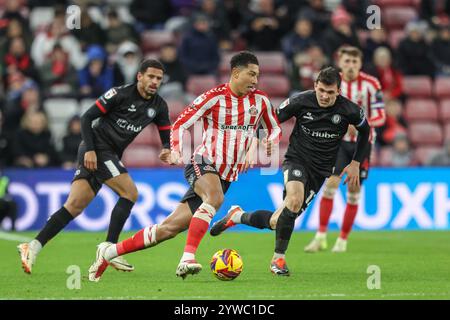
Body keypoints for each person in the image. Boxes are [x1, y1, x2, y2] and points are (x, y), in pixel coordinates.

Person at [87, 51, 281, 282]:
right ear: (236, 73)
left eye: (257, 75)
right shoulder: (214, 97)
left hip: (227, 175)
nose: (255, 80)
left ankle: (109, 252)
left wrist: (268, 142)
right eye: (251, 74)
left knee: (168, 229)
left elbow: (274, 128)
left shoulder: (260, 101)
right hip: (203, 161)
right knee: (215, 198)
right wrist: (177, 149)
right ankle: (187, 258)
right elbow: (180, 123)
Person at [209, 66, 371, 276]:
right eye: (321, 90)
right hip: (297, 160)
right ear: (315, 86)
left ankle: (237, 216)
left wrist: (356, 163)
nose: (324, 96)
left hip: (321, 171)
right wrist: (253, 146)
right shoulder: (301, 101)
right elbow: (269, 122)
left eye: (330, 92)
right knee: (294, 200)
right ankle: (278, 260)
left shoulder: (349, 110)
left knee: (279, 221)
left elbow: (365, 132)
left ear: (338, 91)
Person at [17, 59, 172, 275]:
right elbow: (87, 117)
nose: (155, 82)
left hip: (108, 153)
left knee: (74, 206)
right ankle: (110, 249)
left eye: (158, 78)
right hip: (97, 148)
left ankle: (32, 246)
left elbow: (166, 134)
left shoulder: (159, 106)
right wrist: (90, 150)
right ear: (139, 76)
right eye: (151, 76)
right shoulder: (119, 94)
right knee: (130, 192)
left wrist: (166, 148)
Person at [303, 46, 385, 253]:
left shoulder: (371, 84)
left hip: (362, 144)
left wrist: (360, 122)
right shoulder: (333, 82)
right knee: (330, 185)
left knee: (353, 191)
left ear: (360, 63)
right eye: (346, 61)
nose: (350, 66)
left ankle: (342, 240)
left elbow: (381, 115)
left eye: (354, 62)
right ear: (340, 62)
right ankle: (320, 236)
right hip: (337, 143)